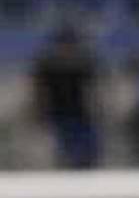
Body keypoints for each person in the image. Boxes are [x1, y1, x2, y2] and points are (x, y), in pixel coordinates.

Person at [30, 22, 100, 170]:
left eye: (70, 44)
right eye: (64, 44)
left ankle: (85, 168)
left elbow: (93, 90)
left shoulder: (83, 63)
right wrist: (39, 112)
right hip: (57, 115)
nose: (67, 48)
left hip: (80, 115)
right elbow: (39, 91)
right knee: (62, 151)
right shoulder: (47, 65)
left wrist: (97, 109)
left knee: (88, 148)